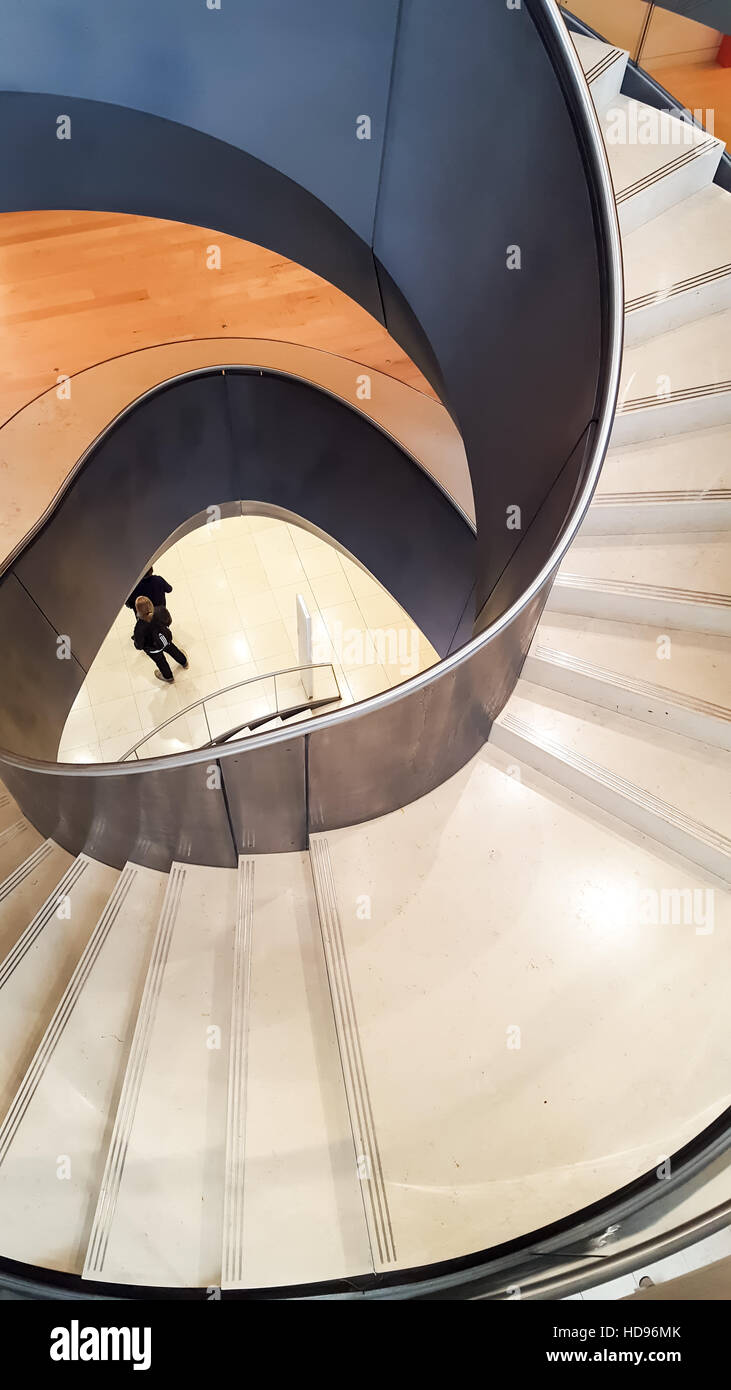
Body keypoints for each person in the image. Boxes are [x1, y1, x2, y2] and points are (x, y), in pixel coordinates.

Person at [132, 595, 188, 683]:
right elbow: (169, 621)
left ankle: (168, 677)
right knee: (173, 650)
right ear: (150, 603)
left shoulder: (139, 627)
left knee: (161, 662)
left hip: (153, 650)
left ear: (138, 610)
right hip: (166, 640)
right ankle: (184, 662)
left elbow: (139, 645)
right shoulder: (160, 610)